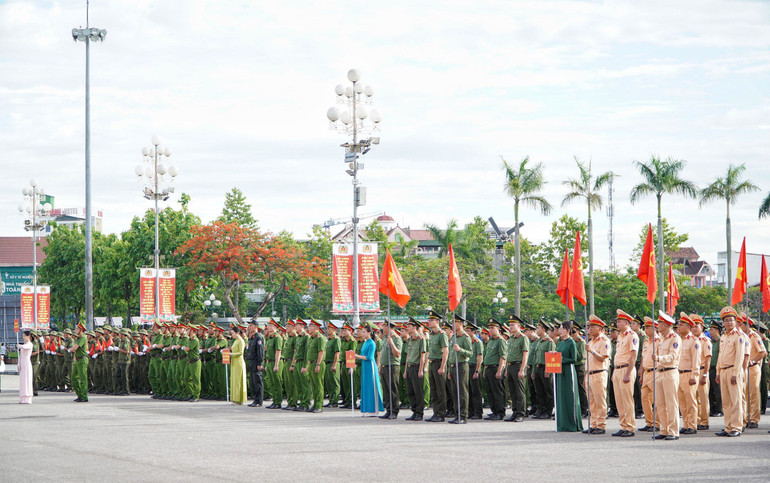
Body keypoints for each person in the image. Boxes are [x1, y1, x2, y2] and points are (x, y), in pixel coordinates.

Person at [655, 311, 681, 440]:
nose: (657, 325)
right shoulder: (661, 339)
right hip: (660, 372)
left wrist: (659, 358)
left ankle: (673, 431)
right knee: (660, 404)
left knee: (671, 403)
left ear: (665, 325)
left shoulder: (674, 338)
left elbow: (673, 355)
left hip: (670, 371)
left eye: (659, 323)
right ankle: (664, 429)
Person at [612, 310, 639, 437]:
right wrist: (614, 372)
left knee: (627, 399)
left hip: (626, 369)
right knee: (619, 400)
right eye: (617, 321)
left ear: (627, 322)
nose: (617, 324)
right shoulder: (621, 336)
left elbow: (633, 356)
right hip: (617, 369)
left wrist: (628, 373)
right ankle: (623, 426)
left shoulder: (632, 335)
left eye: (620, 321)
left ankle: (630, 427)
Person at [555, 321, 583, 432]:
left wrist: (561, 359)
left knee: (570, 396)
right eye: (559, 329)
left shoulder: (571, 342)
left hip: (568, 371)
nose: (560, 331)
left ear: (567, 330)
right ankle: (563, 423)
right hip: (560, 371)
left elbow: (574, 359)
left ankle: (572, 424)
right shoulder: (560, 342)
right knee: (561, 397)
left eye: (562, 329)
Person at [584, 315, 610, 434]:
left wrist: (592, 351)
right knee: (592, 402)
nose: (590, 329)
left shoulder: (604, 341)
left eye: (593, 327)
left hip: (599, 373)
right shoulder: (591, 341)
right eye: (589, 327)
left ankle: (601, 425)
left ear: (600, 328)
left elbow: (603, 358)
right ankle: (593, 424)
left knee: (600, 401)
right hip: (590, 374)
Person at [677, 313, 701, 435]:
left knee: (691, 401)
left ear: (688, 327)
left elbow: (696, 360)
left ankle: (692, 425)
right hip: (679, 374)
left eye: (681, 325)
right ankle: (686, 424)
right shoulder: (679, 340)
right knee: (682, 401)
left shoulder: (694, 341)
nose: (678, 327)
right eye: (678, 324)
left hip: (689, 374)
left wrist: (694, 376)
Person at [741, 316, 766, 429]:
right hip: (743, 368)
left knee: (753, 394)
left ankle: (754, 419)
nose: (739, 326)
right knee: (744, 394)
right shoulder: (742, 336)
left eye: (741, 324)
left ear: (748, 325)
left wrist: (752, 360)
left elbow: (763, 352)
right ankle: (745, 418)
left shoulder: (754, 336)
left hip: (752, 368)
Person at [355, 323, 383, 417]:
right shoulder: (365, 342)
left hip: (370, 366)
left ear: (369, 333)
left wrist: (356, 356)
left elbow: (370, 357)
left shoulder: (371, 343)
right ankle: (366, 408)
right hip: (364, 366)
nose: (362, 334)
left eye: (364, 332)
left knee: (372, 387)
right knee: (365, 386)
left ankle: (374, 410)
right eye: (362, 332)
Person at [504, 315, 529, 422]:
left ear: (519, 326)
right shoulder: (511, 339)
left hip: (518, 365)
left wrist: (522, 369)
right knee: (512, 391)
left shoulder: (523, 338)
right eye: (510, 325)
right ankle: (514, 412)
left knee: (519, 391)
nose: (510, 327)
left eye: (513, 325)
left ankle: (521, 413)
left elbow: (525, 354)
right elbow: (508, 355)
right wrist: (506, 369)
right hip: (510, 366)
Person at [637, 316, 660, 432]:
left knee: (657, 398)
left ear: (655, 328)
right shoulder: (646, 341)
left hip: (655, 371)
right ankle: (649, 422)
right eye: (645, 327)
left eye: (648, 327)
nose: (646, 330)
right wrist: (641, 371)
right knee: (644, 398)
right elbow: (643, 357)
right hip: (646, 372)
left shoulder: (659, 341)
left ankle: (658, 423)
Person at [426, 311, 449, 422]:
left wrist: (442, 366)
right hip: (432, 363)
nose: (429, 322)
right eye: (429, 320)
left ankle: (441, 413)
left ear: (438, 321)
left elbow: (445, 351)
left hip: (439, 363)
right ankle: (436, 412)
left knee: (441, 390)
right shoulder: (432, 334)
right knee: (434, 390)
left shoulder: (441, 334)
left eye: (432, 320)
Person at [483, 318, 507, 421]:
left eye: (492, 328)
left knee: (497, 391)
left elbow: (503, 356)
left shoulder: (501, 341)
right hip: (488, 368)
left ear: (498, 329)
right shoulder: (490, 341)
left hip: (495, 368)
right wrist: (484, 370)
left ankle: (500, 412)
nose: (490, 330)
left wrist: (499, 370)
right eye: (489, 328)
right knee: (490, 391)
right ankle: (494, 411)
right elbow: (487, 356)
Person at [378, 319, 402, 419]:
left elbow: (397, 354)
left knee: (393, 390)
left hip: (392, 366)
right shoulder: (384, 338)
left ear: (388, 327)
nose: (382, 328)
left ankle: (394, 411)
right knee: (386, 390)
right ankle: (388, 410)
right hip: (384, 367)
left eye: (383, 326)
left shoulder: (396, 338)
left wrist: (391, 343)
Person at [691, 314, 712, 431]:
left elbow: (708, 359)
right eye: (692, 326)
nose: (694, 328)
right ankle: (696, 420)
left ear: (702, 327)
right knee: (694, 398)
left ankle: (704, 421)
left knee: (703, 398)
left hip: (702, 369)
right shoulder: (691, 340)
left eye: (696, 326)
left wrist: (705, 374)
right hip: (693, 371)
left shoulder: (705, 341)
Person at [403, 317, 427, 421]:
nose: (407, 328)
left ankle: (419, 412)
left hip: (417, 367)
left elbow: (423, 355)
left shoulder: (421, 339)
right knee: (410, 391)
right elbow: (408, 356)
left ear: (414, 327)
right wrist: (405, 370)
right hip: (409, 367)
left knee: (418, 391)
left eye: (409, 326)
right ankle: (414, 411)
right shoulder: (410, 340)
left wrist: (421, 369)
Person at [305, 320, 326, 413]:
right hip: (312, 363)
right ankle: (315, 404)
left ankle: (319, 405)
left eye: (311, 326)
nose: (309, 328)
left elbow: (321, 352)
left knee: (318, 385)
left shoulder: (320, 338)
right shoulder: (311, 338)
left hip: (318, 363)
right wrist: (309, 364)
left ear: (316, 327)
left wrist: (318, 364)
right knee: (313, 385)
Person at [68, 322, 89, 403]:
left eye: (77, 329)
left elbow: (75, 348)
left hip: (82, 360)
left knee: (83, 379)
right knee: (73, 378)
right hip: (77, 360)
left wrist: (70, 349)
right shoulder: (77, 338)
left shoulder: (83, 337)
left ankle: (84, 396)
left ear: (81, 330)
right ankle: (79, 394)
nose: (76, 330)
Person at [246, 322, 265, 407]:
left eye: (251, 325)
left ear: (256, 327)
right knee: (253, 382)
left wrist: (259, 363)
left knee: (258, 382)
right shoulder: (252, 338)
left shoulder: (258, 337)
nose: (249, 327)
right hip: (251, 361)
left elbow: (260, 352)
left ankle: (259, 401)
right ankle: (255, 399)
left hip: (256, 361)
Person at [229, 326, 248, 405]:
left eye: (233, 333)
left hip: (239, 361)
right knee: (234, 380)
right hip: (234, 361)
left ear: (237, 333)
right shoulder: (236, 340)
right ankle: (234, 398)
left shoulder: (241, 341)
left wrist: (231, 354)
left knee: (238, 381)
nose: (232, 335)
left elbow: (241, 353)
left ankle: (238, 399)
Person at [19, 331, 34, 404]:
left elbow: (25, 347)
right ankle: (23, 397)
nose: (23, 337)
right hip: (23, 363)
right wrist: (19, 365)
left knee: (27, 379)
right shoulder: (25, 344)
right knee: (23, 380)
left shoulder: (30, 344)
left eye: (25, 336)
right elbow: (21, 356)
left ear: (29, 336)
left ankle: (28, 397)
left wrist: (19, 345)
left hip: (27, 363)